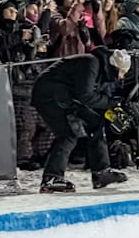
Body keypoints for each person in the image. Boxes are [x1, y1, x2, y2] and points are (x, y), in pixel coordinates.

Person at [30, 47, 132, 193]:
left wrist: (110, 104)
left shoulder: (98, 67)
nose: (121, 77)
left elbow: (87, 94)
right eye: (122, 72)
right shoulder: (92, 64)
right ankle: (51, 178)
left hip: (66, 97)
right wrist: (110, 103)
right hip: (50, 96)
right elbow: (85, 95)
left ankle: (101, 172)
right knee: (68, 134)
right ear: (114, 67)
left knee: (96, 123)